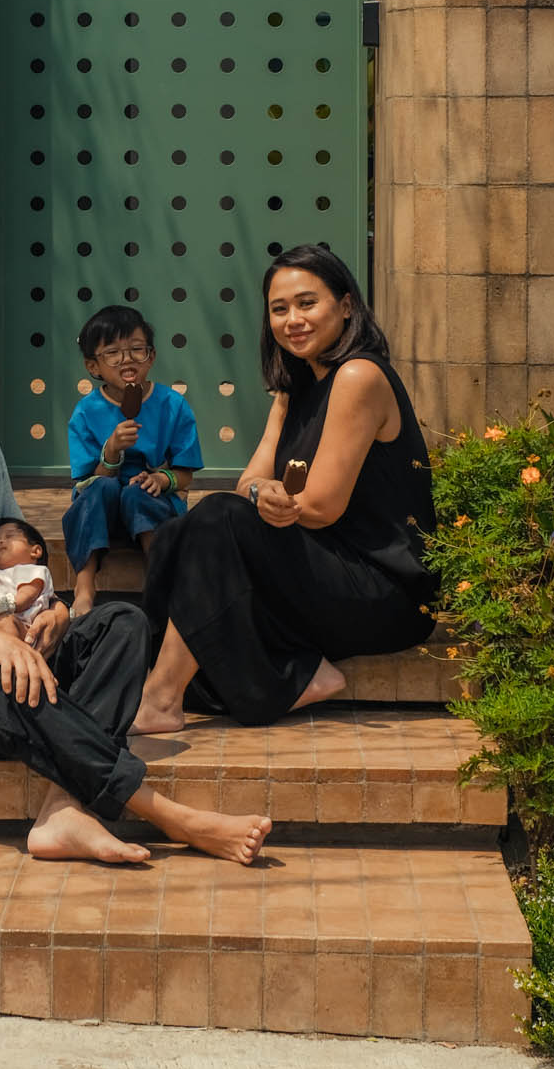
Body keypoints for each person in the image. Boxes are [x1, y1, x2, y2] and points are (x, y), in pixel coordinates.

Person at [0, 299, 271, 866]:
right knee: (6, 681)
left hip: (5, 650)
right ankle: (171, 816)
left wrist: (51, 610)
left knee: (122, 625)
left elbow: (15, 557)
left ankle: (64, 811)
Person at [133, 245, 439, 733]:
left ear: (346, 306)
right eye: (280, 309)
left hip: (384, 591)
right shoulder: (295, 387)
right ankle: (297, 675)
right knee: (176, 534)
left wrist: (262, 499)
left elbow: (319, 507)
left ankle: (163, 698)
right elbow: (249, 481)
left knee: (216, 519)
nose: (292, 319)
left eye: (307, 303)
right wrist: (261, 494)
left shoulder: (359, 376)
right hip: (324, 569)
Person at [61, 304, 203, 618]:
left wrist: (162, 479)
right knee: (100, 489)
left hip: (152, 503)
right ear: (93, 366)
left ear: (151, 357)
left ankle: (158, 580)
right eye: (112, 352)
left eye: (136, 349)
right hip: (105, 505)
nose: (127, 359)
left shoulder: (172, 405)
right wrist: (111, 451)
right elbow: (86, 480)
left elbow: (186, 474)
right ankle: (84, 590)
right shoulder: (86, 412)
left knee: (139, 492)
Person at [0, 517, 55, 639]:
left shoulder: (31, 570)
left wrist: (8, 604)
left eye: (9, 536)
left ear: (35, 551)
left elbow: (27, 595)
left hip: (25, 627)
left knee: (4, 621)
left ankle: (10, 655)